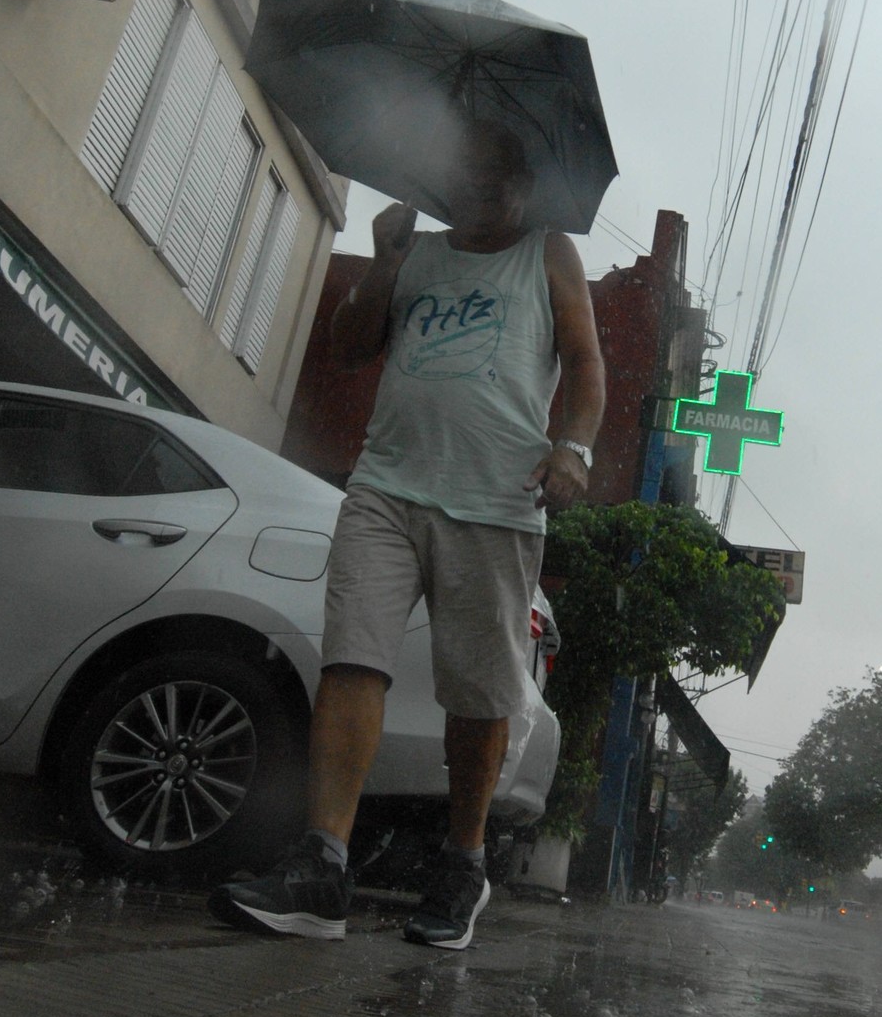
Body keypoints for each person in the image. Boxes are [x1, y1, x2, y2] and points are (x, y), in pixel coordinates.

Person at [212, 115, 605, 950]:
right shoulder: (416, 253)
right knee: (353, 657)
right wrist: (385, 261)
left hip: (496, 501)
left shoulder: (547, 253)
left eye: (500, 179)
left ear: (525, 188)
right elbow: (350, 347)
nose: (483, 191)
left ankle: (461, 865)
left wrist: (573, 446)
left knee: (477, 694)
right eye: (468, 175)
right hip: (386, 489)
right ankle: (322, 867)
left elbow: (585, 360)